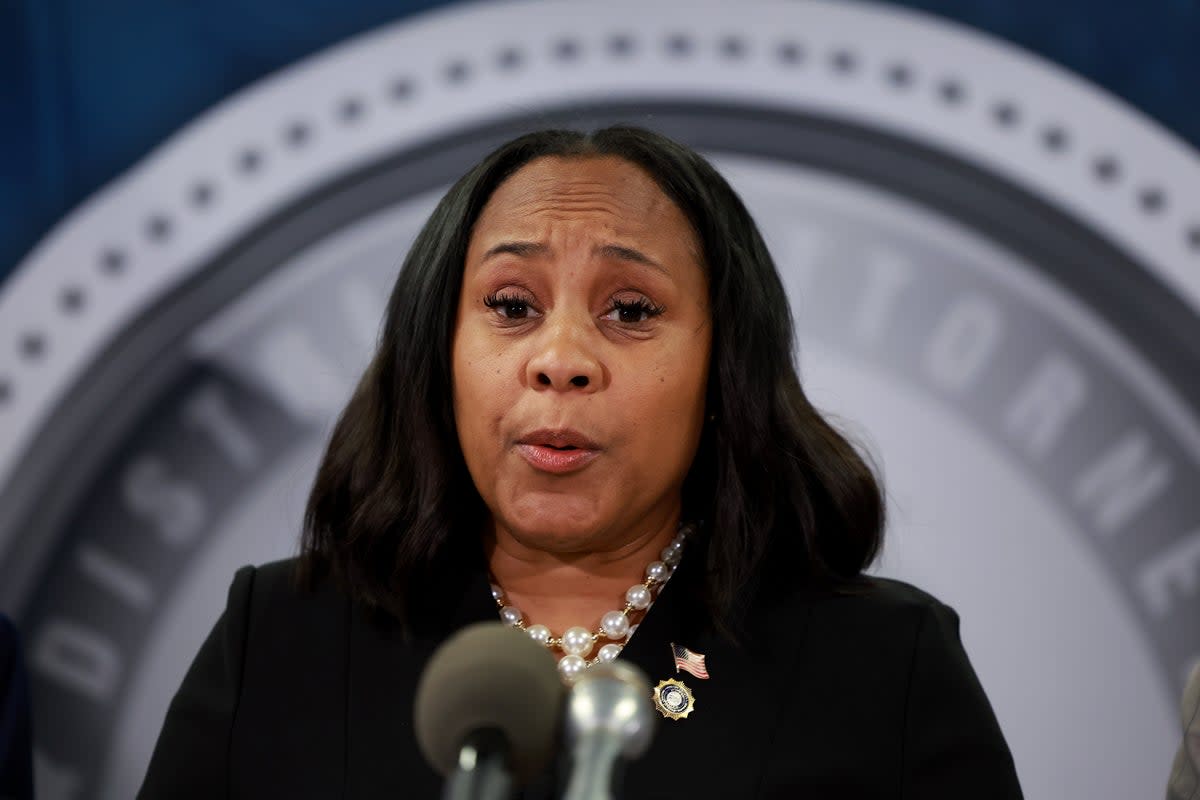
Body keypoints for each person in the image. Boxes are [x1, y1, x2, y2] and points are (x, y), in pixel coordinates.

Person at [138, 126, 1023, 798]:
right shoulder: (284, 640)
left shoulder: (879, 665)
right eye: (512, 304)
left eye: (631, 310)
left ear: (725, 370)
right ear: (435, 352)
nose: (561, 357)